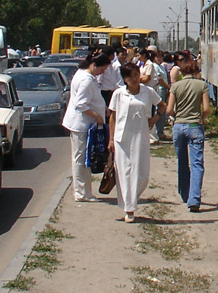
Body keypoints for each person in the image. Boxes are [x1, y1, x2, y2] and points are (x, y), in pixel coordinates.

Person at [108, 63, 165, 222]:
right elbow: (112, 116)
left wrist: (154, 119)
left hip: (140, 137)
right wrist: (111, 139)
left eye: (135, 75)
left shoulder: (148, 92)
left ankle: (131, 199)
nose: (133, 79)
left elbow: (162, 105)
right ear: (124, 79)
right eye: (128, 77)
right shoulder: (118, 94)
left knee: (142, 175)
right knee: (125, 173)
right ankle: (129, 208)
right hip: (122, 139)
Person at [62, 54, 109, 201]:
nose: (103, 73)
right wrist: (97, 115)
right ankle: (81, 192)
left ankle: (84, 191)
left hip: (84, 123)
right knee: (81, 159)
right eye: (102, 69)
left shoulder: (83, 74)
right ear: (95, 65)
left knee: (82, 157)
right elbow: (81, 104)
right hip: (81, 124)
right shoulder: (86, 80)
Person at [167, 58, 211, 212]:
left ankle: (184, 194)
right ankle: (194, 199)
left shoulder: (176, 86)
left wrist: (177, 116)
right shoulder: (202, 85)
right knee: (197, 163)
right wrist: (202, 119)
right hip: (195, 126)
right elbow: (206, 108)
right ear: (195, 70)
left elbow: (169, 109)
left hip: (179, 126)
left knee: (182, 162)